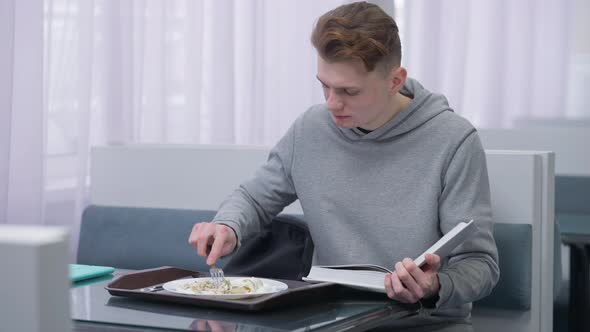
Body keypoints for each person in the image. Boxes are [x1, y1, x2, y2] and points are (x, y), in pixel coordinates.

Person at [189, 2, 499, 330]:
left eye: (349, 91)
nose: (331, 103)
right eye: (324, 84)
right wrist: (227, 226)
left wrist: (435, 286)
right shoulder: (310, 129)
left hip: (424, 324)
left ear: (395, 80)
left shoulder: (453, 140)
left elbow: (481, 265)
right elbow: (253, 198)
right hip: (332, 320)